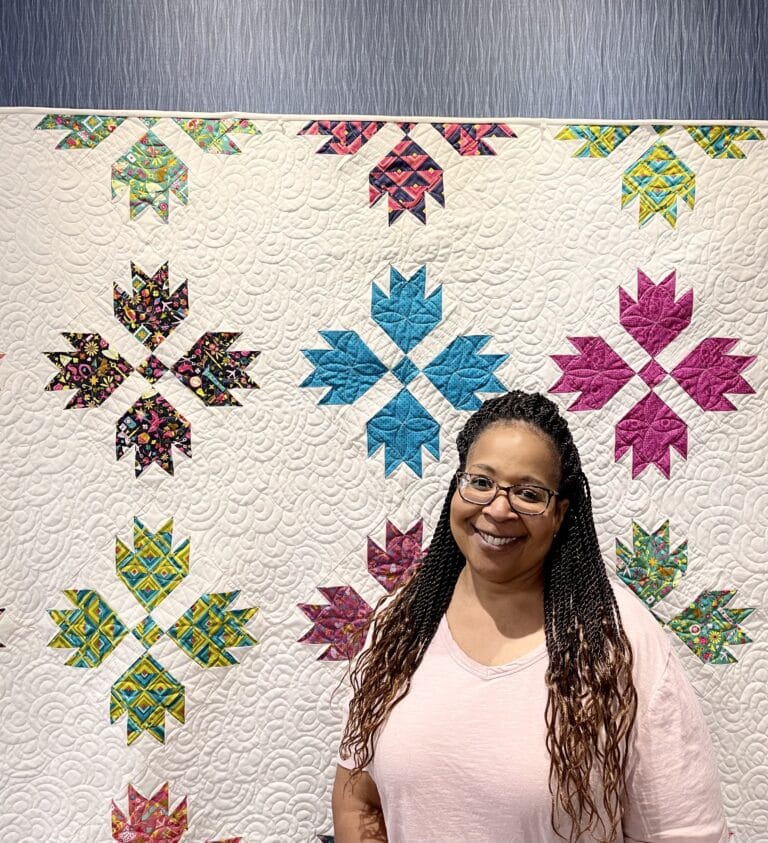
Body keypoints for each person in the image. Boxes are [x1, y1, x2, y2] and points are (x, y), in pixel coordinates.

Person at [331, 391, 728, 843]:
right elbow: (357, 798)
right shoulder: (401, 623)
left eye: (527, 493)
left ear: (559, 513)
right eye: (480, 482)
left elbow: (685, 831)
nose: (498, 510)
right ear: (456, 489)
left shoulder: (620, 637)